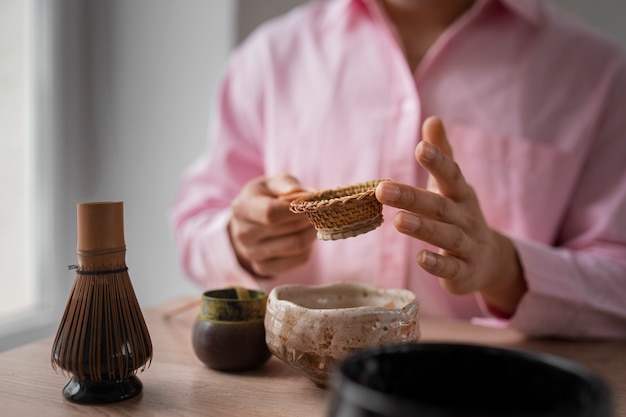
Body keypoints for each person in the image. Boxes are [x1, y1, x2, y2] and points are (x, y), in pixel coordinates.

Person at [170, 0, 626, 339]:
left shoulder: (599, 73)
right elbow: (195, 225)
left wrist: (505, 269)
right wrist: (241, 241)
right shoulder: (269, 58)